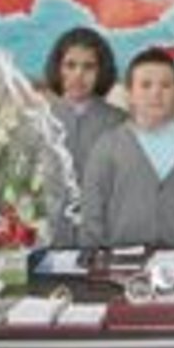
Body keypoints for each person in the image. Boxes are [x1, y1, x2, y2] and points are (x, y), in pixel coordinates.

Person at [80, 48, 174, 248]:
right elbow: (92, 216)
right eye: (146, 85)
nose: (156, 93)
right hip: (120, 261)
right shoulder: (107, 148)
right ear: (130, 94)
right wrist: (95, 259)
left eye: (166, 85)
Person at [43, 27, 127, 245]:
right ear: (57, 68)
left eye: (88, 67)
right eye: (70, 65)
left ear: (102, 71)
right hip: (49, 236)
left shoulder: (120, 122)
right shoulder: (40, 120)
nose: (78, 74)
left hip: (103, 237)